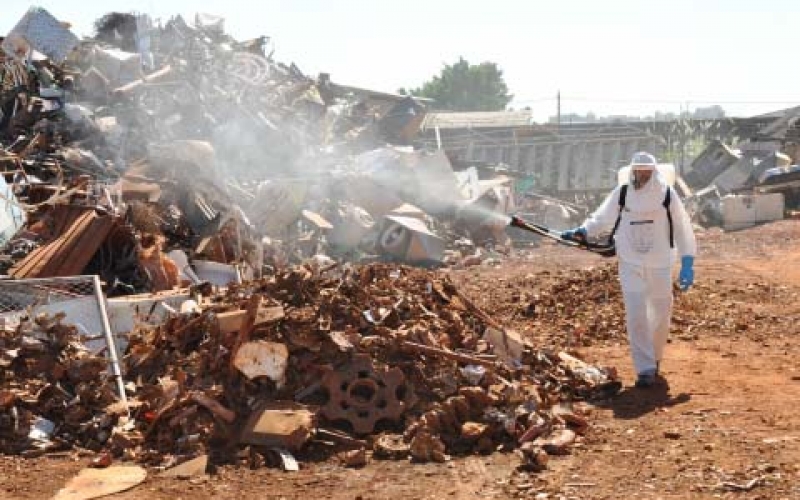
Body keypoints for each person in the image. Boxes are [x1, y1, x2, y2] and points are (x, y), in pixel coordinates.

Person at [562, 152, 696, 388]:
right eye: (638, 171)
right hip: (630, 261)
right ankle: (645, 368)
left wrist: (687, 261)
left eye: (646, 171)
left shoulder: (667, 194)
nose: (642, 175)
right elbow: (602, 218)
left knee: (661, 313)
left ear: (654, 172)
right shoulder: (623, 192)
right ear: (632, 171)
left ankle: (654, 356)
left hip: (661, 263)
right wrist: (582, 231)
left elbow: (683, 227)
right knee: (636, 314)